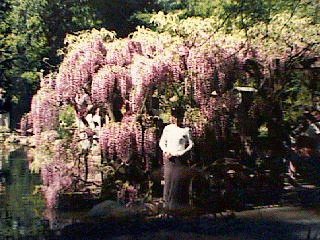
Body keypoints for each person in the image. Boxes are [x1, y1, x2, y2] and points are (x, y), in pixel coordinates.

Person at [159, 106, 194, 211]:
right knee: (168, 181)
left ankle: (177, 205)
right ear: (172, 117)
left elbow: (191, 144)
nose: (177, 119)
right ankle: (166, 206)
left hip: (179, 158)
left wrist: (181, 153)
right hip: (168, 158)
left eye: (179, 117)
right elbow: (161, 142)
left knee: (177, 181)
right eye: (175, 117)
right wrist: (165, 151)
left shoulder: (186, 130)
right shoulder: (168, 129)